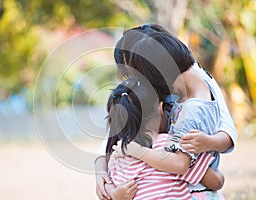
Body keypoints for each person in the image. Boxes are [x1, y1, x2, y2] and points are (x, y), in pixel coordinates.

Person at [95, 23, 237, 199]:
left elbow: (227, 129)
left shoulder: (195, 95)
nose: (134, 80)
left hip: (191, 182)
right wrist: (101, 173)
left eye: (134, 72)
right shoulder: (149, 98)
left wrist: (209, 142)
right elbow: (118, 130)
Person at [105, 76, 224, 200]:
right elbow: (215, 182)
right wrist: (219, 174)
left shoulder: (116, 158)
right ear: (160, 108)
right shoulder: (170, 145)